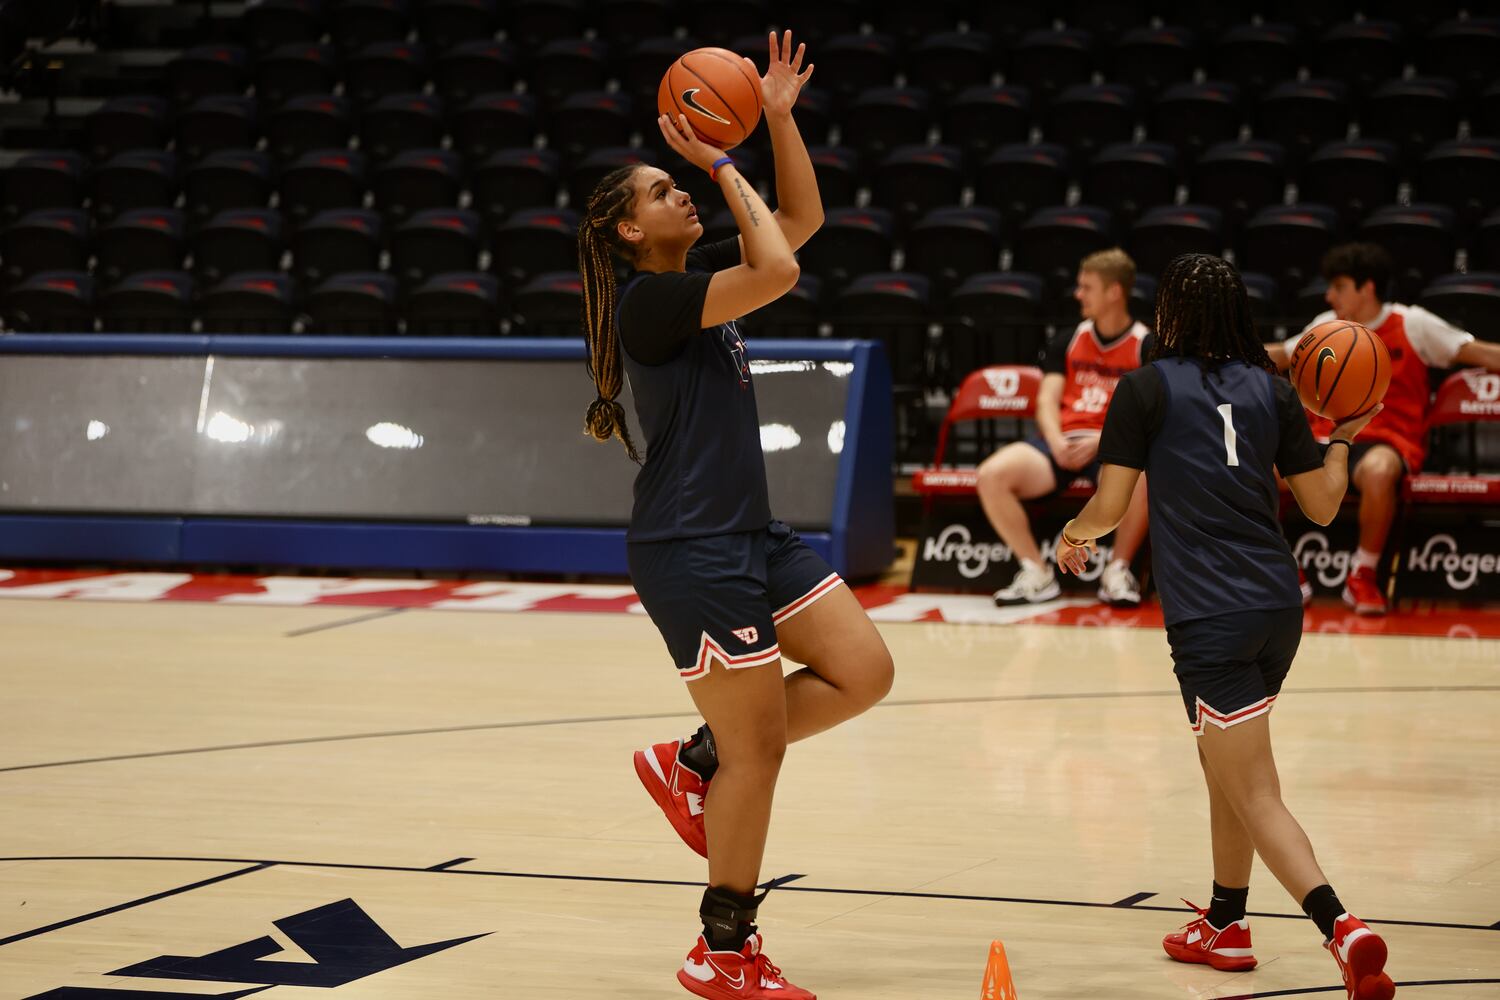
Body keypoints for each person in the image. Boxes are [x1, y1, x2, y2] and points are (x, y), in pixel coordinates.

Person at [575, 33, 894, 1000]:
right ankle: (722, 948)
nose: (679, 193)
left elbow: (800, 217)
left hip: (749, 536)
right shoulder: (650, 306)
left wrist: (779, 118)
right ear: (630, 232)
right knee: (763, 753)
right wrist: (717, 155)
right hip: (691, 546)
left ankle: (692, 758)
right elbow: (782, 268)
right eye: (658, 191)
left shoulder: (698, 276)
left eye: (681, 185)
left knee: (866, 670)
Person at [1055, 254, 1395, 999]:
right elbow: (1323, 506)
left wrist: (1073, 535)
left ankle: (1344, 929)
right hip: (1278, 610)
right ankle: (1226, 923)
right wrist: (1342, 432)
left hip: (1210, 615)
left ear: (1170, 314)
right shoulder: (1273, 391)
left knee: (1256, 789)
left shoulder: (1145, 388)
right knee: (1227, 770)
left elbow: (1110, 508)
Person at [1268, 243, 1500, 615]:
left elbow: (1479, 353)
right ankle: (1283, 570)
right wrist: (1219, 356)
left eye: (1339, 286)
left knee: (1378, 472)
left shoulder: (1413, 323)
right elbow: (1280, 355)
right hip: (1323, 438)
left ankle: (1362, 575)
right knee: (1261, 465)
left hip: (1385, 441)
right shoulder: (1325, 325)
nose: (1329, 295)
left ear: (1367, 288)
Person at [975, 248, 1152, 607]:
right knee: (991, 474)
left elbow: (1151, 415)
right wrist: (1055, 440)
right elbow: (1046, 401)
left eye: (1087, 287)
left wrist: (1103, 439)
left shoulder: (1146, 344)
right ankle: (1036, 573)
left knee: (1141, 477)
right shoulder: (1068, 338)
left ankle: (1118, 570)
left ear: (1114, 292)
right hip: (1062, 440)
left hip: (1113, 445)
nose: (1078, 294)